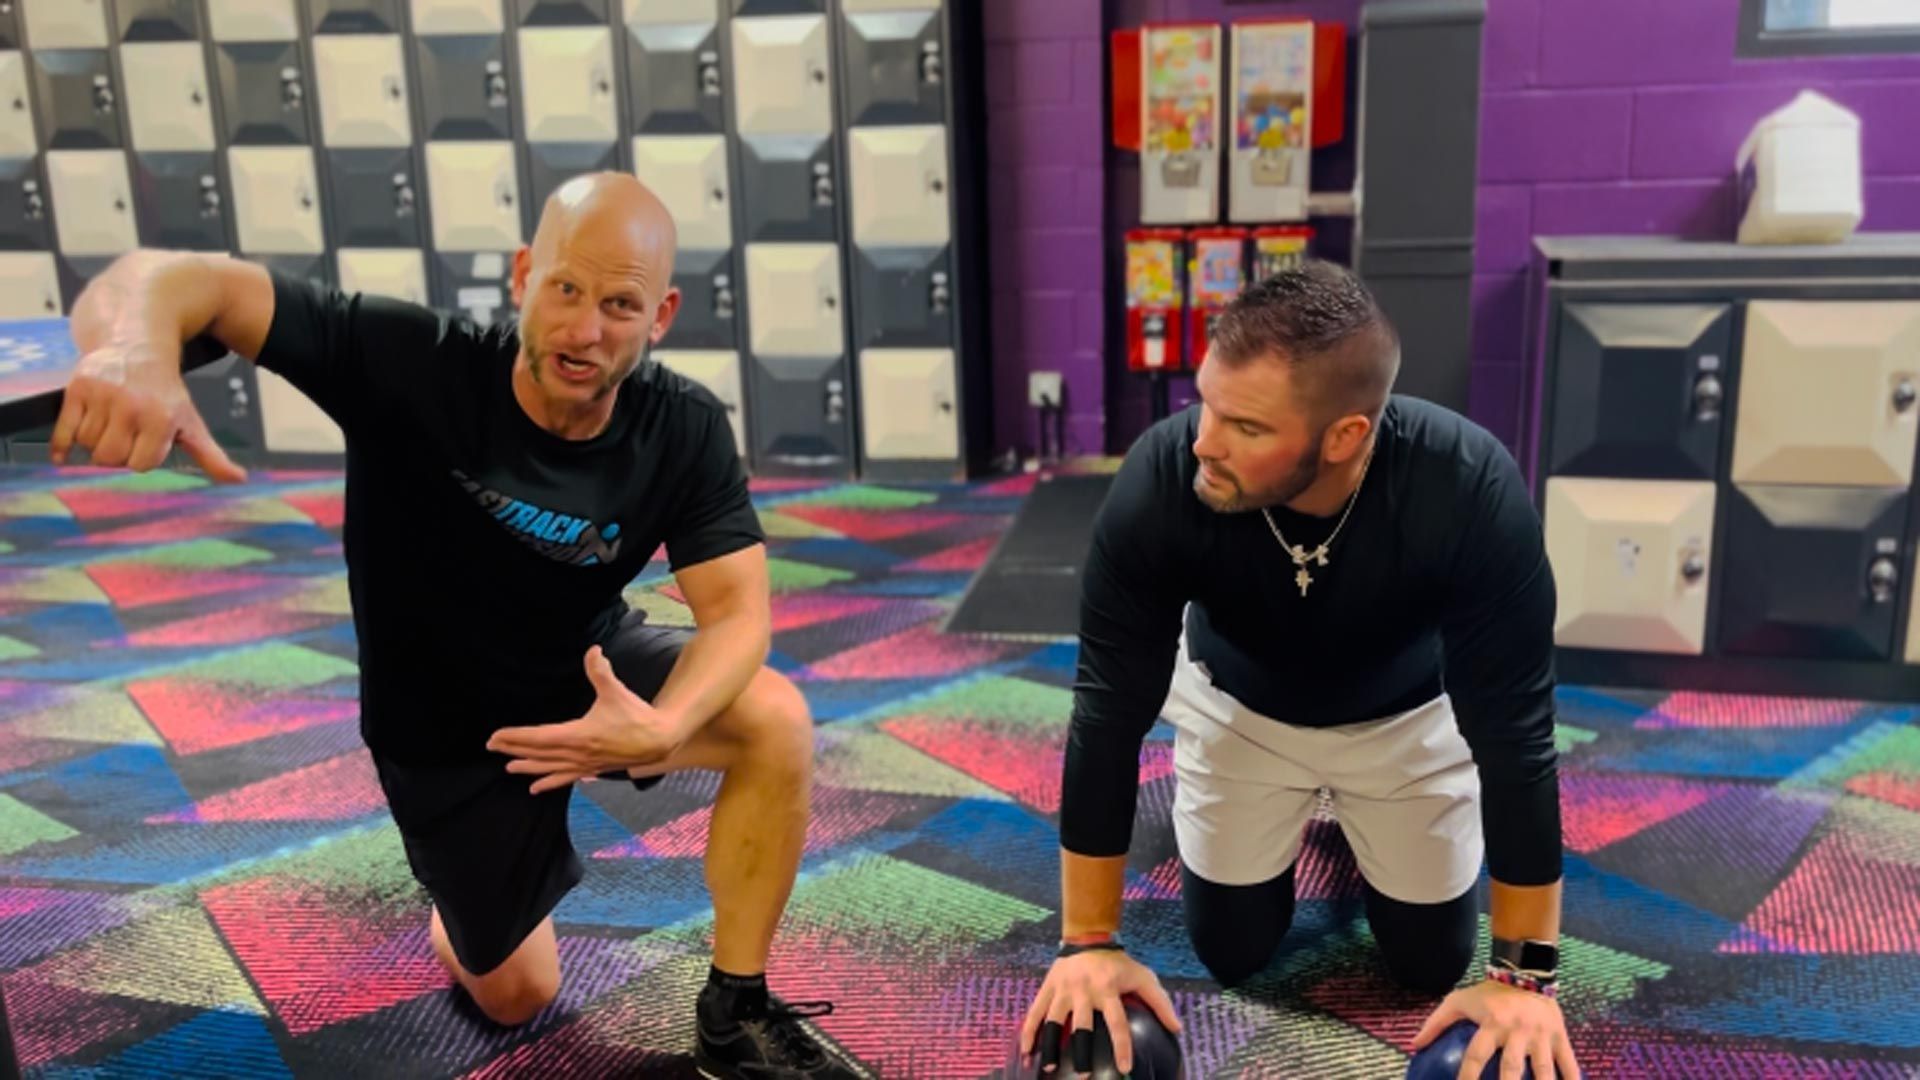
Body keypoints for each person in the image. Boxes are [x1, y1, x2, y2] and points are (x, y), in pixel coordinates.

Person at [52, 172, 859, 1080]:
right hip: (444, 732)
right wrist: (134, 348)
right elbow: (170, 273)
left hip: (586, 670)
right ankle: (459, 903)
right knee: (518, 995)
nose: (585, 329)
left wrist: (665, 725)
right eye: (565, 289)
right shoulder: (408, 361)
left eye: (620, 303)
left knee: (775, 719)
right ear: (523, 275)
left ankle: (735, 1012)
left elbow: (739, 616)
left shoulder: (683, 427)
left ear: (660, 314)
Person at [1018, 260, 1581, 1080]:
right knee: (1232, 951)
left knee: (1428, 964)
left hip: (1408, 720)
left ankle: (1358, 831)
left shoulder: (1466, 489)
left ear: (1345, 435)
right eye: (1206, 401)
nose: (1204, 440)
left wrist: (1526, 980)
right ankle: (1302, 827)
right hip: (1240, 706)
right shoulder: (1165, 478)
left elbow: (1517, 738)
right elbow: (1108, 710)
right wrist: (1086, 944)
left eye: (1245, 426)